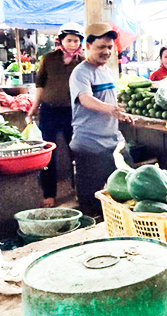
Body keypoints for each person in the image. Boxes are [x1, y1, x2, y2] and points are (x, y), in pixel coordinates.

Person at [69, 23, 133, 215]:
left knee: (129, 187)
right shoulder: (81, 72)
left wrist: (120, 112)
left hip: (113, 143)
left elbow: (109, 99)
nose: (106, 52)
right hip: (90, 145)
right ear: (87, 46)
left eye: (109, 47)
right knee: (91, 200)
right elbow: (85, 98)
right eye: (100, 47)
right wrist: (111, 109)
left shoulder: (106, 70)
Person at [26, 22, 85, 208]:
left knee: (76, 152)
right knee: (48, 154)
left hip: (73, 112)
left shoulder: (83, 62)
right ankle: (49, 194)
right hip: (49, 111)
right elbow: (40, 84)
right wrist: (34, 107)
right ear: (60, 41)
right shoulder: (48, 59)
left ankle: (80, 191)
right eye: (69, 40)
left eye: (76, 41)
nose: (72, 44)